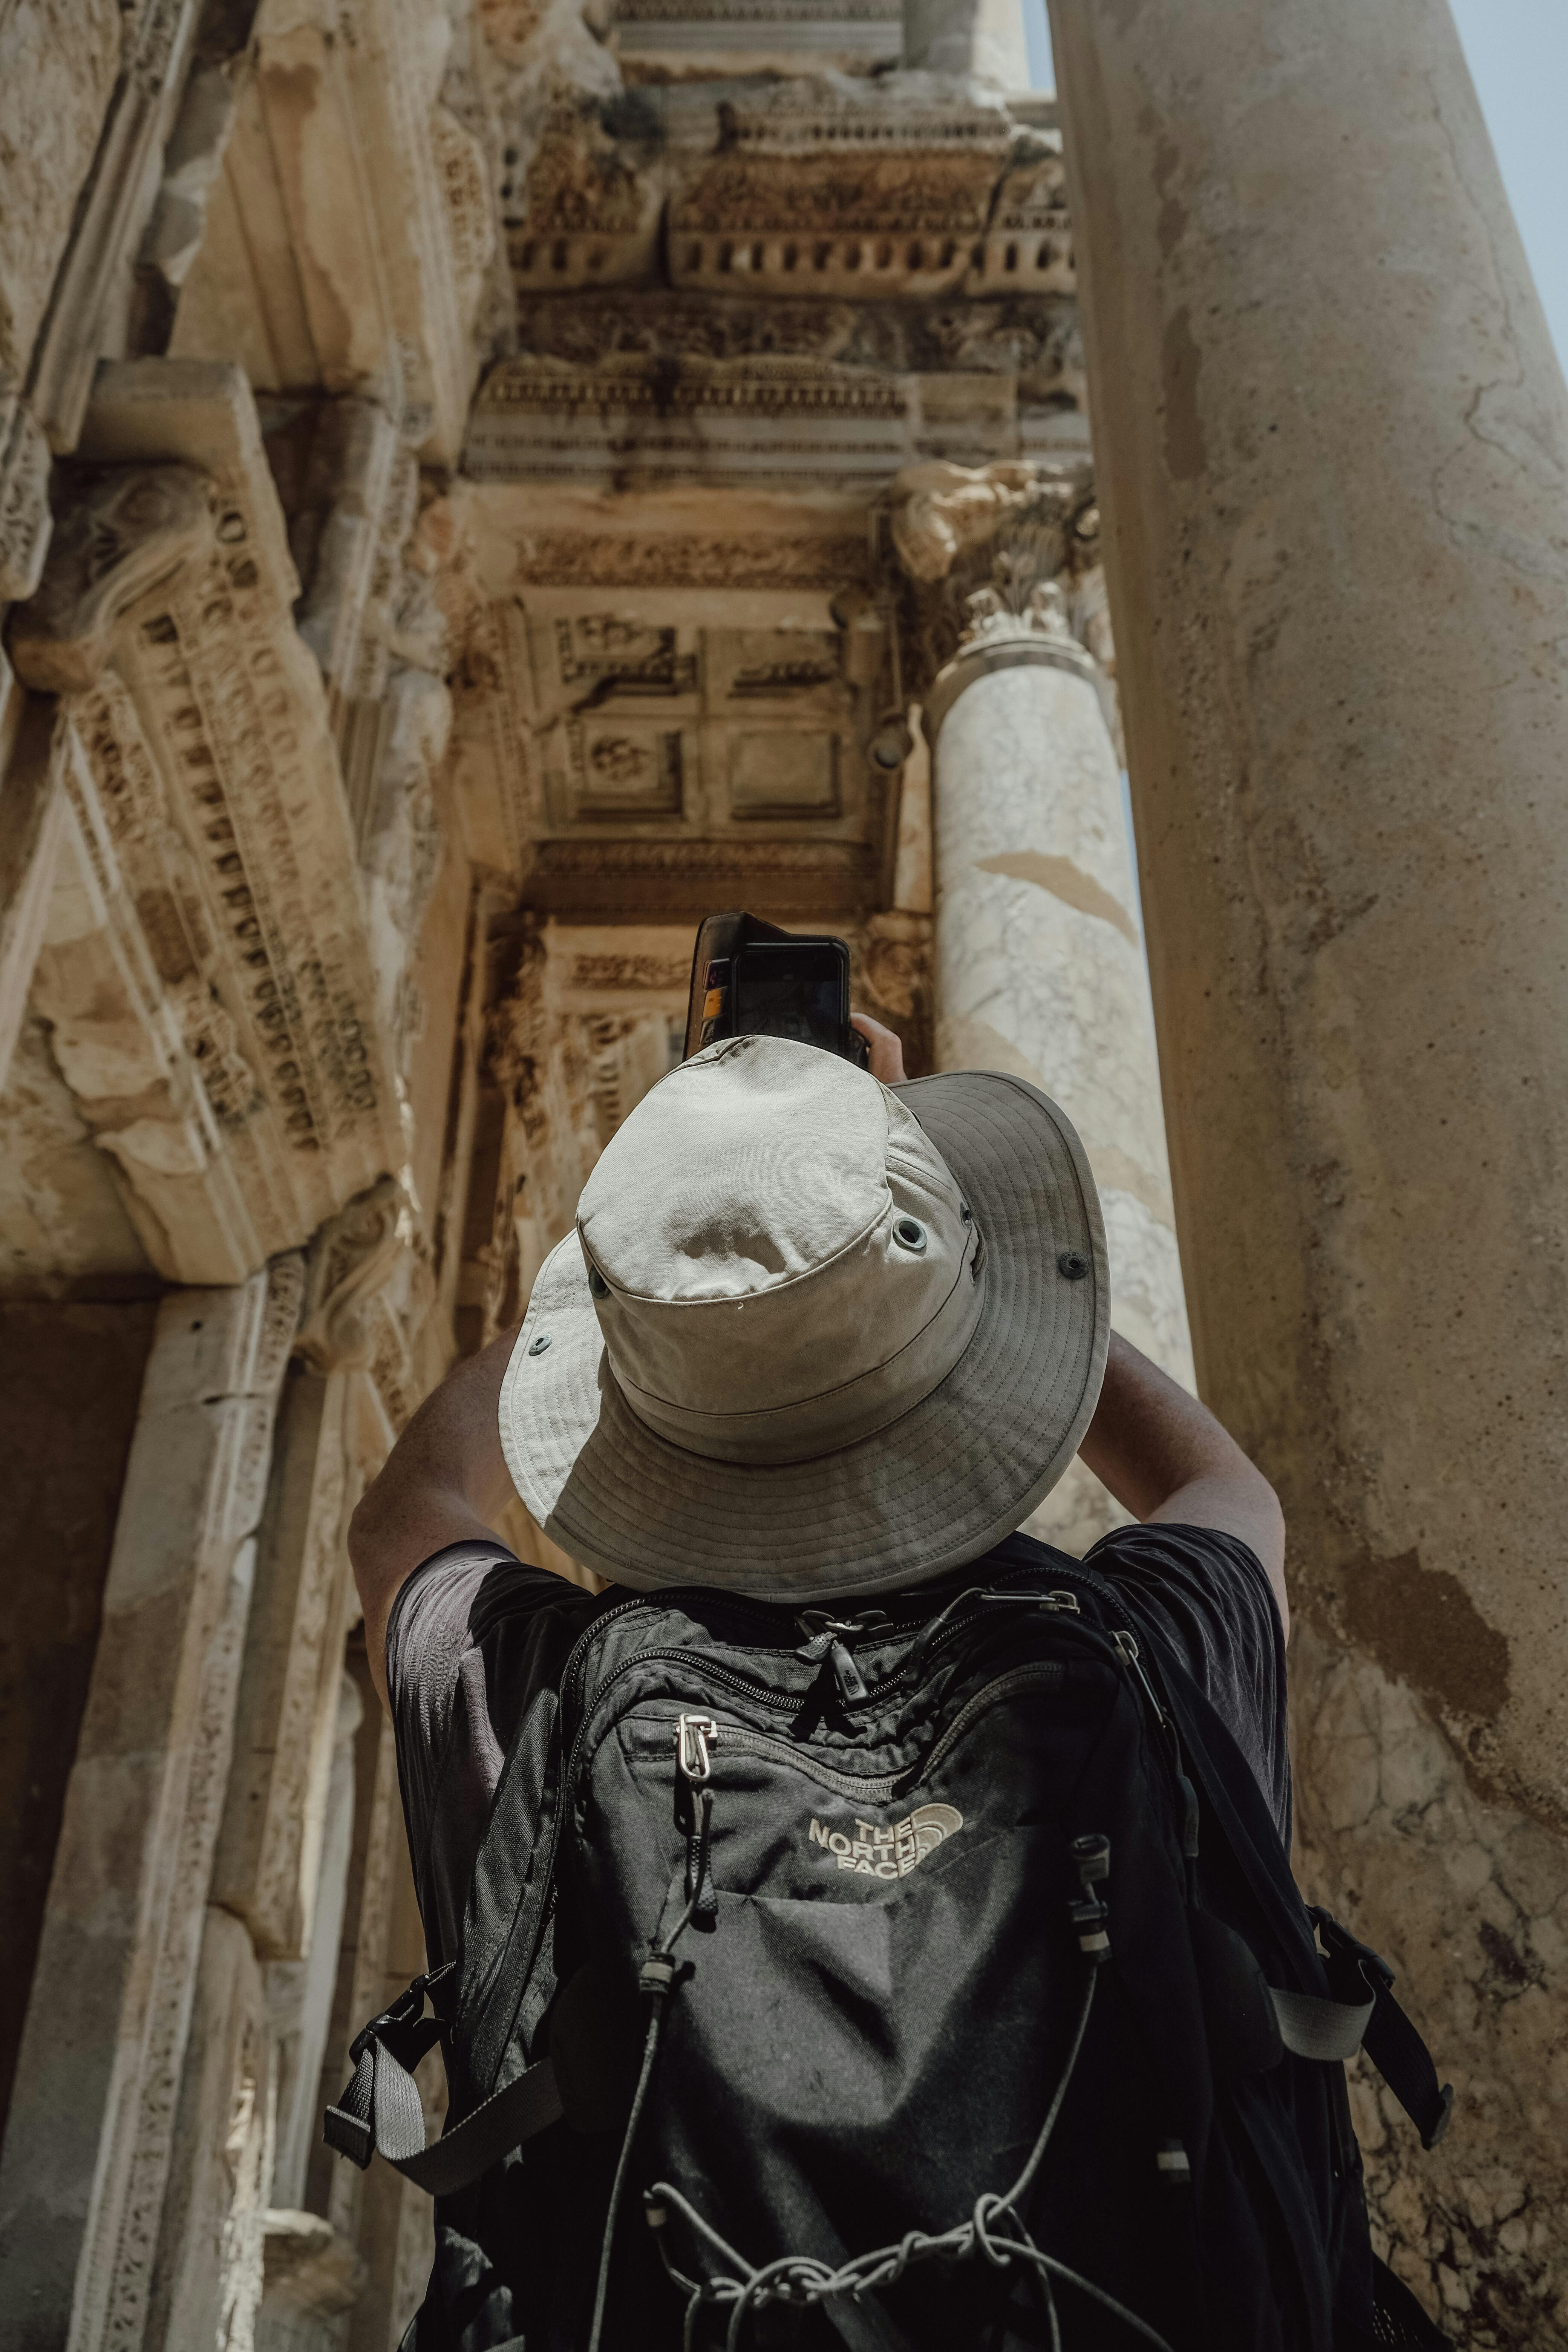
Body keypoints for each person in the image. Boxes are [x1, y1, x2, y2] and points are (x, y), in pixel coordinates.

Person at [347, 1011, 1293, 2345]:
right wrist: (956, 1262)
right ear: (979, 1362)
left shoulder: (545, 1695)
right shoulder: (1142, 1644)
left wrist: (610, 1276)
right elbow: (1225, 1490)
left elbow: (408, 1517)